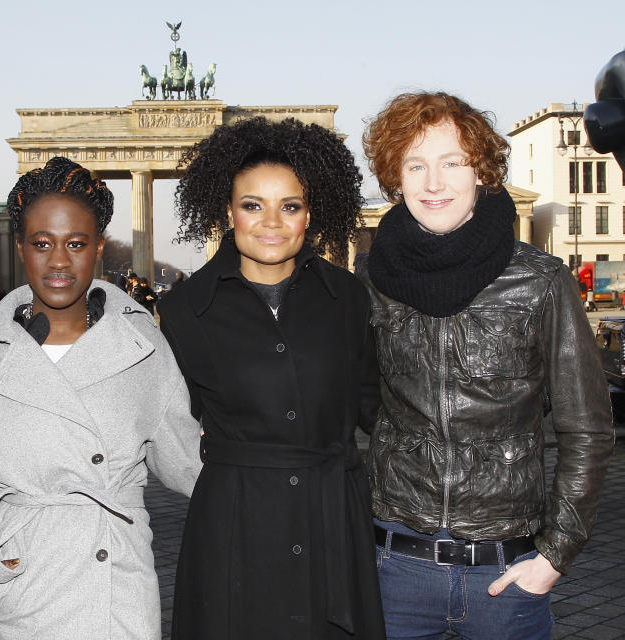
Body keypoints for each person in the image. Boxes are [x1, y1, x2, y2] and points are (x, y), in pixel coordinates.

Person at [358, 92, 614, 639]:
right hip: (394, 570)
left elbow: (588, 429)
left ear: (482, 172)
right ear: (394, 177)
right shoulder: (372, 281)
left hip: (507, 574)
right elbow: (358, 400)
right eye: (415, 164)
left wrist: (554, 557)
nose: (434, 183)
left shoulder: (541, 282)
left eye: (453, 162)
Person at [0, 156, 202, 640]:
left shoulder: (143, 349)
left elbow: (190, 464)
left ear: (99, 248)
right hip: (17, 589)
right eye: (42, 244)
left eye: (76, 244)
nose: (59, 261)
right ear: (20, 248)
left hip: (115, 587)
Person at [158, 117, 385, 639]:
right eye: (252, 205)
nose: (271, 222)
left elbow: (378, 408)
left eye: (290, 206)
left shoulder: (349, 297)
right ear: (228, 210)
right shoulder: (184, 309)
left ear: (310, 214)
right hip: (235, 527)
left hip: (334, 519)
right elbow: (165, 421)